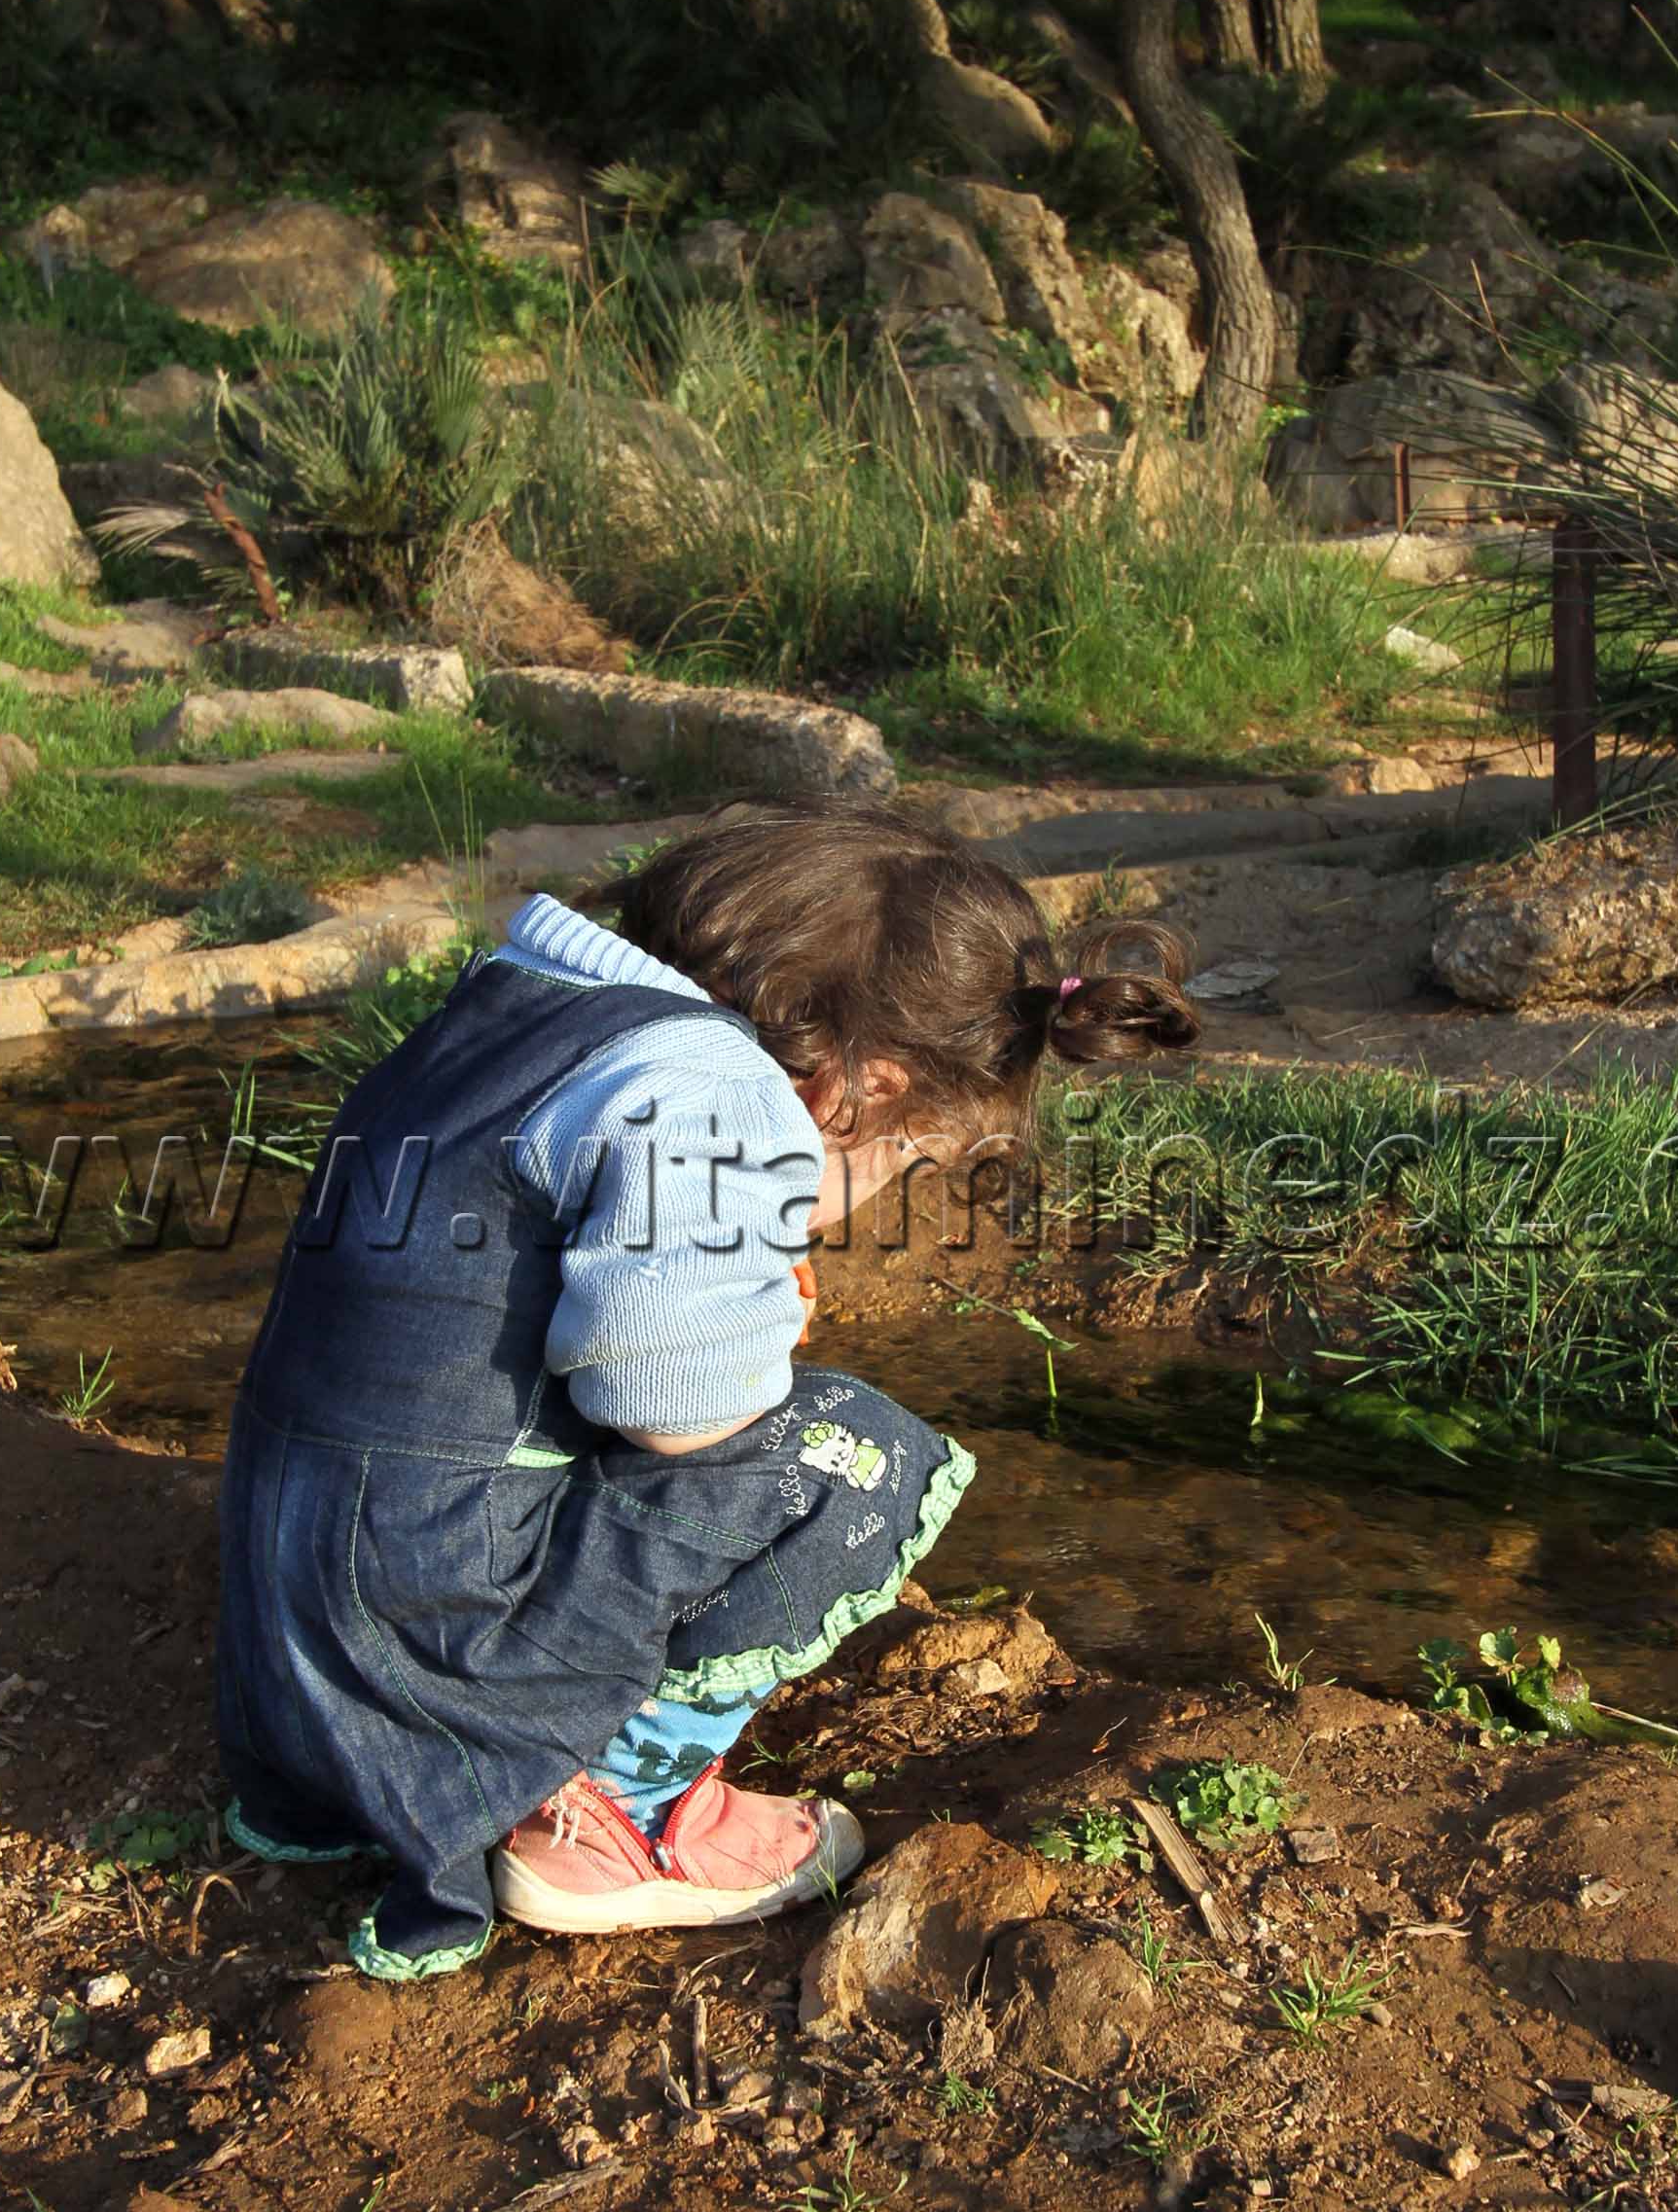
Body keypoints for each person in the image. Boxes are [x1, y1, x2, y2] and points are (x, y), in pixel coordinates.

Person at [214, 799, 1196, 1980]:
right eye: (908, 1153)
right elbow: (673, 1411)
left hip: (293, 1616)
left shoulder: (520, 1007)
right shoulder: (712, 1087)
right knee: (851, 1454)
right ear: (859, 1087)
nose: (881, 1189)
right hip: (431, 1622)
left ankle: (355, 1780)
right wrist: (761, 1320)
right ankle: (613, 1812)